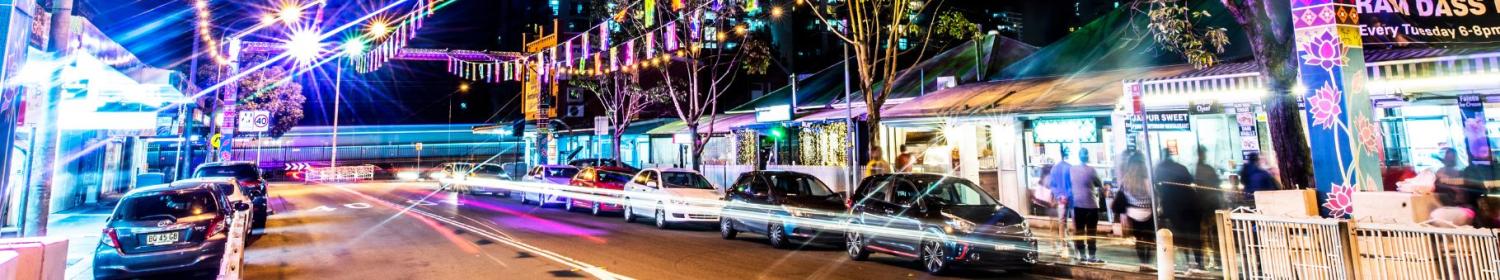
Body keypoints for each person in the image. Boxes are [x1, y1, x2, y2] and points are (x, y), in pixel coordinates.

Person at [1152, 149, 1199, 270]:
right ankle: (1199, 262)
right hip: (1189, 202)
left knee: (1180, 233)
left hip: (1173, 205)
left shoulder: (1159, 169)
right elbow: (1191, 180)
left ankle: (1188, 261)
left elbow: (1156, 185)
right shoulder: (1180, 167)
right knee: (1194, 233)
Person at [1114, 150, 1154, 267]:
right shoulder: (1147, 179)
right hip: (1148, 213)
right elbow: (1153, 195)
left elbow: (1122, 197)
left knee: (1139, 239)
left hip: (1133, 214)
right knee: (1149, 239)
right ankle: (1148, 263)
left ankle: (1143, 263)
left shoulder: (1127, 180)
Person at [1069, 149, 1104, 264]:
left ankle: (1083, 256)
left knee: (1079, 231)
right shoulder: (1091, 170)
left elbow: (1069, 184)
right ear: (1087, 157)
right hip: (1091, 205)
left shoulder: (1072, 169)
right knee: (1091, 232)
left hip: (1077, 204)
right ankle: (1092, 256)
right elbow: (1099, 184)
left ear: (1079, 156)